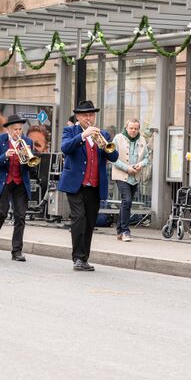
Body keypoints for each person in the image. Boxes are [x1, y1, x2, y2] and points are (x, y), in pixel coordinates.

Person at [59, 100, 119, 271]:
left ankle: (84, 258)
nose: (89, 118)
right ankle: (77, 257)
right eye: (85, 115)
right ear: (78, 116)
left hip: (95, 185)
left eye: (91, 115)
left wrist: (107, 147)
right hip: (75, 185)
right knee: (79, 218)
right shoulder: (70, 131)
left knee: (90, 222)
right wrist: (83, 136)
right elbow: (65, 148)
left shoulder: (104, 134)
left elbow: (114, 157)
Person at [0, 114, 33, 261]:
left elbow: (32, 168)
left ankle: (16, 251)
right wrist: (5, 155)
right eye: (15, 130)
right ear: (8, 130)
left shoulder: (27, 141)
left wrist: (28, 157)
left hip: (20, 183)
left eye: (20, 129)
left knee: (20, 216)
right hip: (4, 182)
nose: (18, 133)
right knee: (1, 213)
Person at [111, 118, 149, 242]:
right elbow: (112, 158)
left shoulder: (142, 139)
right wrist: (127, 168)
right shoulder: (118, 138)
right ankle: (126, 231)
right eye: (131, 128)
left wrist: (141, 165)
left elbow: (147, 158)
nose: (133, 131)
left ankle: (119, 230)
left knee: (126, 202)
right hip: (121, 174)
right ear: (126, 127)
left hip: (135, 176)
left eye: (136, 128)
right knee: (127, 200)